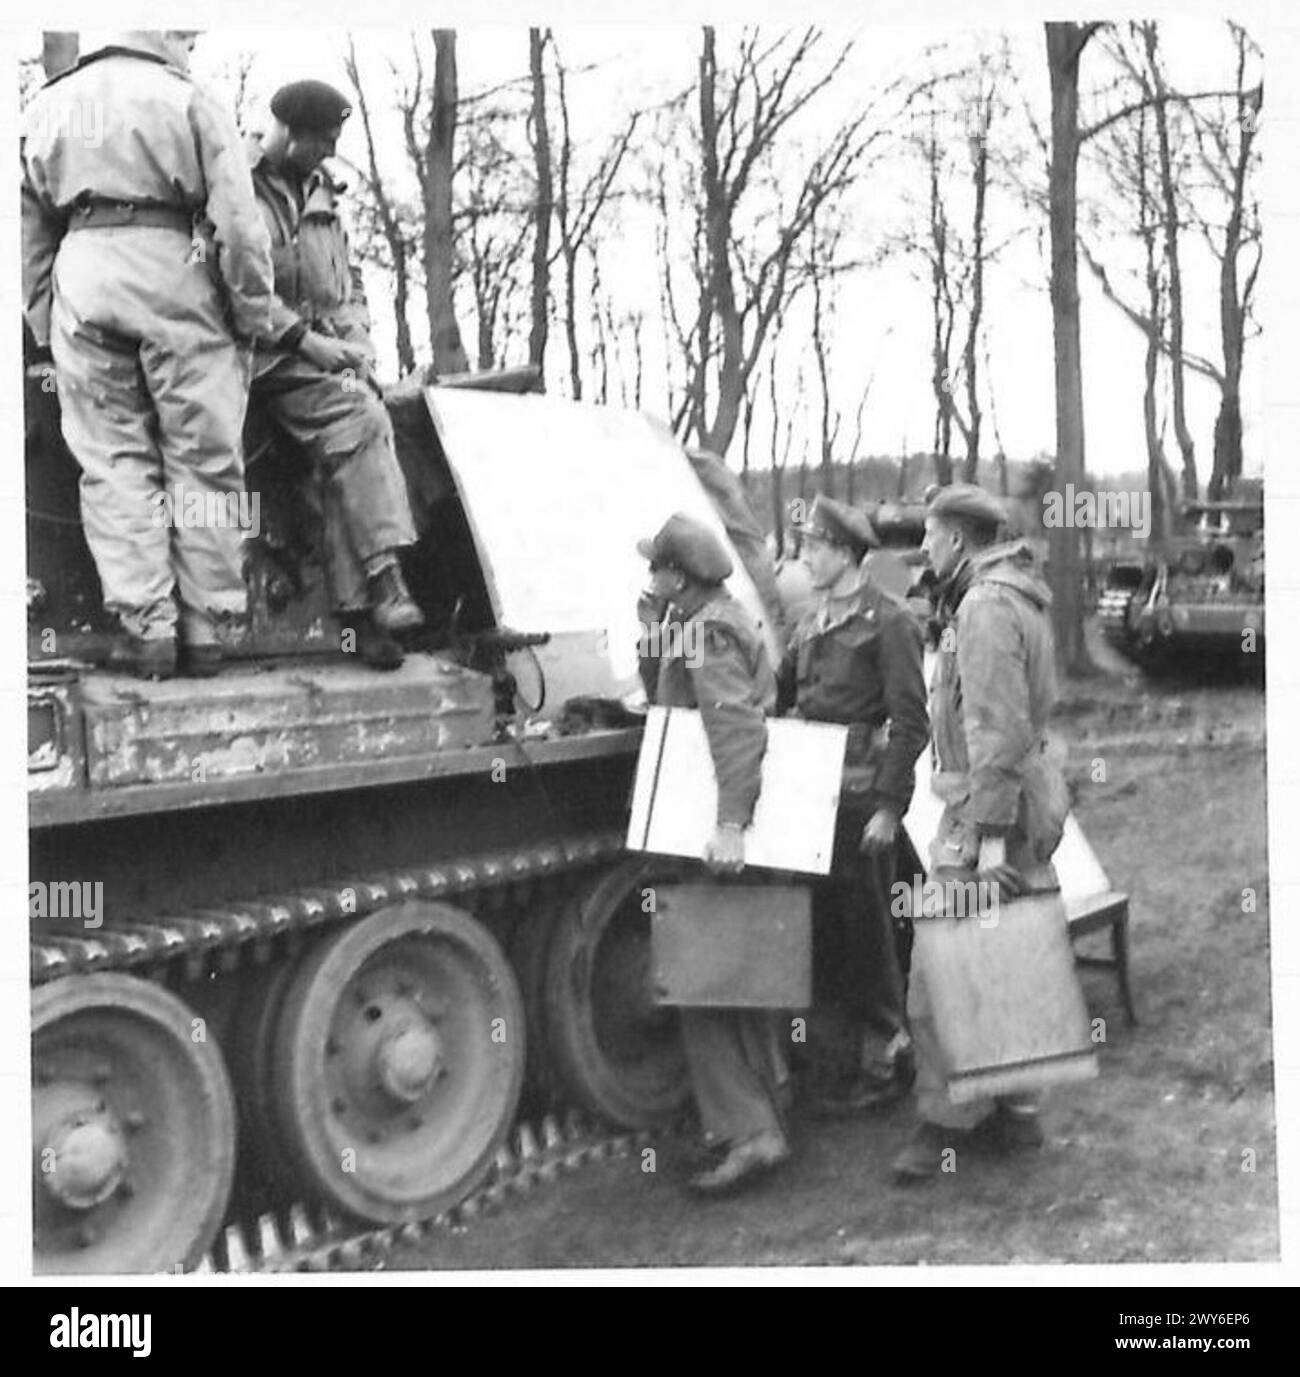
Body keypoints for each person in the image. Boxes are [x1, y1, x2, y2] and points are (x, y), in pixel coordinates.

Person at [21, 30, 275, 678]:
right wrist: (248, 312)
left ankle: (147, 629)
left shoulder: (45, 106)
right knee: (204, 456)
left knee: (110, 459)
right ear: (163, 36)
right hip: (175, 267)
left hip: (82, 269)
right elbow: (239, 225)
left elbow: (24, 228)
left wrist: (46, 317)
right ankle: (206, 629)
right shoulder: (188, 97)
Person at [892, 482, 1069, 1182]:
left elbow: (995, 731)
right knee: (1010, 958)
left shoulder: (987, 607)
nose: (924, 549)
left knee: (937, 971)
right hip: (1014, 803)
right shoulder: (1014, 595)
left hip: (984, 814)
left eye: (931, 537)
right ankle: (1016, 1109)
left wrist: (988, 838)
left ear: (958, 540)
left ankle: (942, 1123)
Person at [637, 513, 791, 1193]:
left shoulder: (709, 632)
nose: (650, 577)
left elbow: (735, 729)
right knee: (737, 974)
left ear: (678, 575)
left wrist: (731, 823)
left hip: (720, 829)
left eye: (656, 569)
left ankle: (749, 1134)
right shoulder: (711, 619)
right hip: (727, 825)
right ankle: (762, 1116)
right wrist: (652, 631)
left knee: (703, 982)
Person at [248, 80, 422, 670]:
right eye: (322, 140)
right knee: (359, 418)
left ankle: (358, 612)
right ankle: (381, 577)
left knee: (357, 418)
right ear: (289, 133)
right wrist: (306, 341)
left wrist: (359, 351)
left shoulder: (323, 192)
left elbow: (348, 288)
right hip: (257, 354)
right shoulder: (233, 185)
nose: (329, 152)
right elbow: (231, 284)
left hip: (317, 356)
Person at [780, 496, 929, 1112]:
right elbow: (782, 695)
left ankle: (888, 1061)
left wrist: (890, 807)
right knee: (829, 937)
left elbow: (911, 722)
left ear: (845, 553)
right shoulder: (813, 622)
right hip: (815, 798)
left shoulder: (889, 622)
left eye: (813, 547)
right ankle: (838, 1064)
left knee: (871, 941)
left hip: (862, 800)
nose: (804, 557)